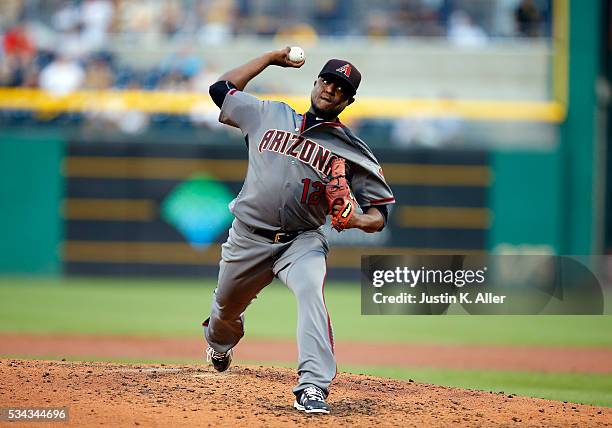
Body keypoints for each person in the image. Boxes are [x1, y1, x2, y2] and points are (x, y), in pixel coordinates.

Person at [202, 47, 395, 414]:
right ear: (316, 82)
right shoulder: (268, 113)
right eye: (327, 81)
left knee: (311, 293)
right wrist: (270, 58)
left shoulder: (354, 151)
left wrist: (355, 219)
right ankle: (220, 343)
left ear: (349, 100)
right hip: (248, 236)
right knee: (225, 313)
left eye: (341, 88)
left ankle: (313, 387)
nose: (331, 90)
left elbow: (379, 215)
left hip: (302, 241)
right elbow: (220, 89)